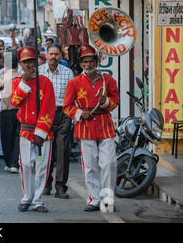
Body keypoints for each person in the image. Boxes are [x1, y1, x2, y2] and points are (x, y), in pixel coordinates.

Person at [63, 44, 119, 212]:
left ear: (96, 61)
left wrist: (106, 102)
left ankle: (107, 200)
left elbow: (115, 102)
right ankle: (94, 199)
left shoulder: (108, 80)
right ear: (81, 64)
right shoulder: (74, 82)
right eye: (85, 62)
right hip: (85, 127)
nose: (88, 64)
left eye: (91, 61)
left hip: (105, 125)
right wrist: (80, 113)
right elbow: (67, 106)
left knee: (109, 163)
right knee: (90, 166)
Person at [10, 46, 56, 213]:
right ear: (21, 65)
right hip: (25, 131)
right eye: (25, 62)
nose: (28, 65)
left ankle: (38, 199)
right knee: (26, 165)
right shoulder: (17, 82)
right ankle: (27, 196)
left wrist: (40, 132)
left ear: (36, 62)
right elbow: (15, 102)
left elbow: (49, 108)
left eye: (31, 61)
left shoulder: (46, 82)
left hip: (43, 132)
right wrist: (24, 83)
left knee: (42, 165)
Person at [39, 43, 74, 198]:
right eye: (51, 54)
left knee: (62, 152)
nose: (53, 57)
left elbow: (72, 96)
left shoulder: (68, 73)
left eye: (57, 54)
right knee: (45, 152)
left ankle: (60, 186)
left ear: (61, 55)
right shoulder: (39, 73)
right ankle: (45, 184)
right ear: (46, 55)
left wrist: (71, 117)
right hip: (44, 115)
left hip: (63, 114)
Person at [0, 48, 22, 173]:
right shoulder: (22, 76)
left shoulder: (3, 76)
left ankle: (9, 162)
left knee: (6, 137)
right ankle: (14, 163)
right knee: (17, 137)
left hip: (6, 111)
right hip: (20, 111)